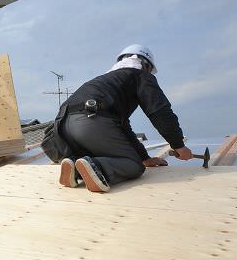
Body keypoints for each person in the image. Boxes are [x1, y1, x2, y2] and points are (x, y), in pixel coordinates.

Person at [42, 44, 193, 193]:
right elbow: (160, 111)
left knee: (103, 158)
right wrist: (178, 145)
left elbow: (122, 128)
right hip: (91, 123)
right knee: (134, 165)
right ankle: (97, 167)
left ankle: (73, 166)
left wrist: (145, 157)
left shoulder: (105, 81)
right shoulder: (139, 75)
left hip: (61, 128)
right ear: (146, 65)